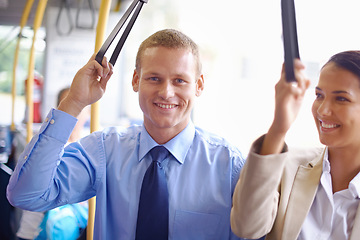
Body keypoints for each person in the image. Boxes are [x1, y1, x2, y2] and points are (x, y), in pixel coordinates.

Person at [7, 29, 246, 240]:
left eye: (180, 80)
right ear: (135, 80)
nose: (166, 92)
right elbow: (26, 195)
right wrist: (74, 102)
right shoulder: (104, 151)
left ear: (199, 85)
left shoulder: (228, 165)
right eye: (154, 78)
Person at [231, 51, 360, 240]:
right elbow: (246, 226)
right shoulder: (285, 166)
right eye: (319, 95)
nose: (323, 110)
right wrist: (278, 128)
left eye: (341, 98)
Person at [16, 87, 89, 240]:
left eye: (81, 107)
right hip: (35, 231)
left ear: (88, 113)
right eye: (72, 105)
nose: (77, 112)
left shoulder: (89, 147)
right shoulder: (48, 146)